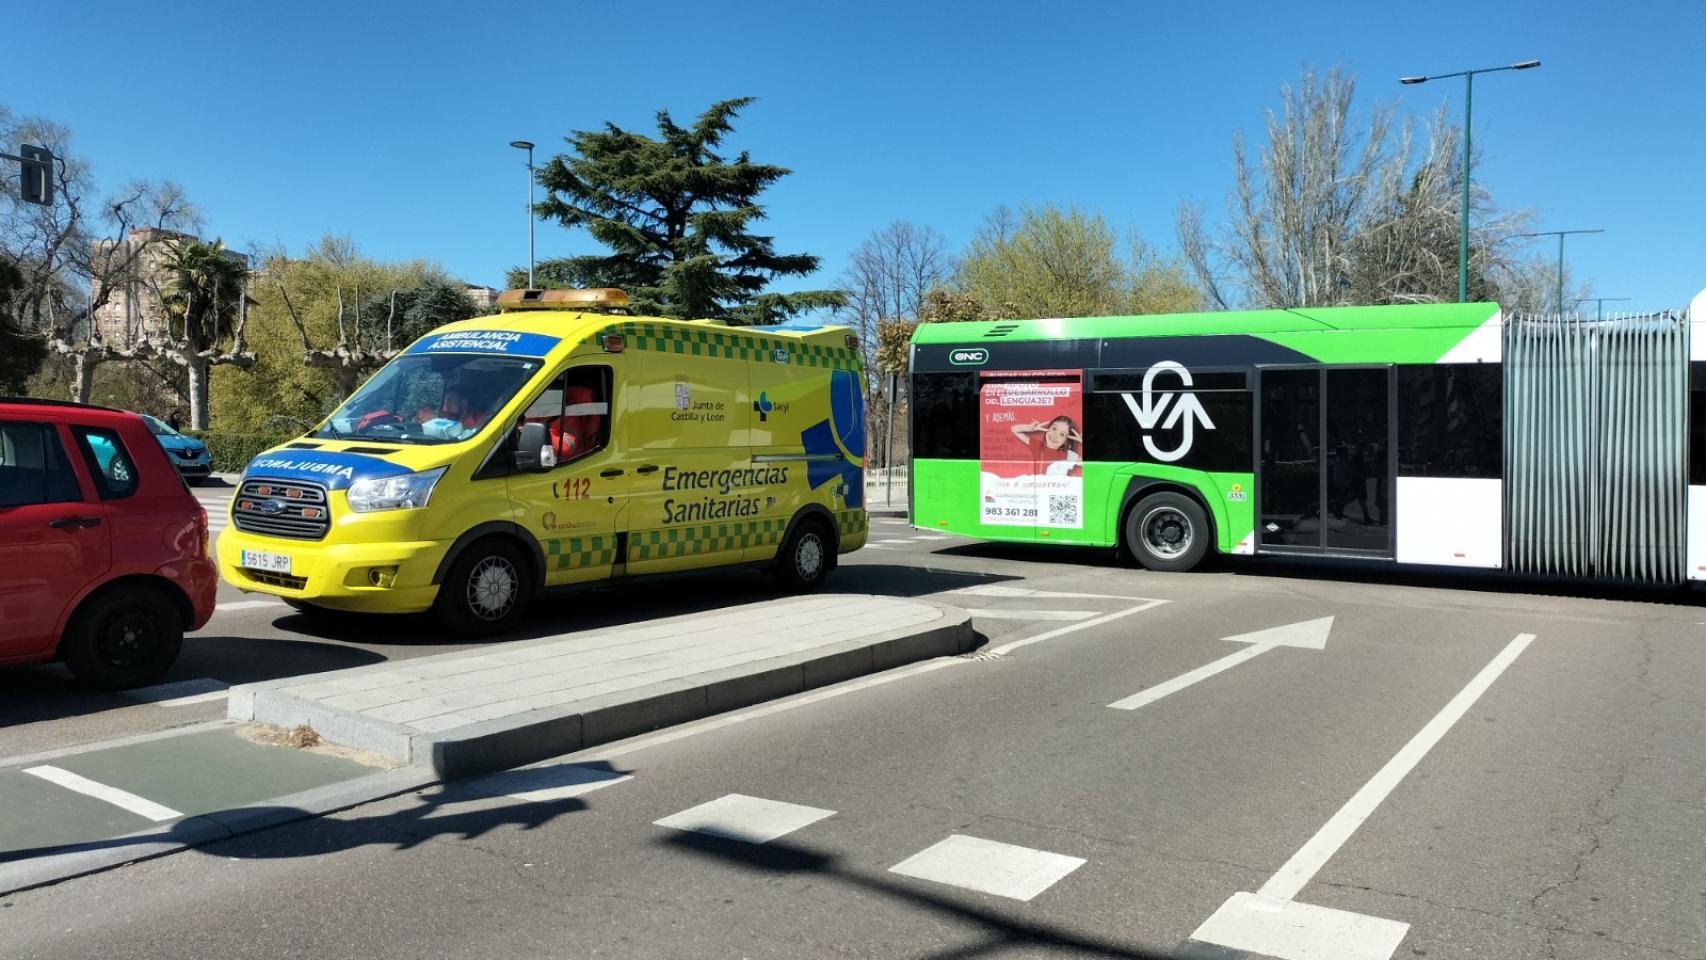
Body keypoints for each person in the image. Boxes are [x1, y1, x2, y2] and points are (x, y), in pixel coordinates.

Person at [1011, 415, 1083, 476]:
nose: (1055, 435)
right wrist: (1028, 428)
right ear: (1047, 429)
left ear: (1066, 441)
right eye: (1054, 429)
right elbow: (1014, 429)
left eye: (1062, 434)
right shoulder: (1038, 446)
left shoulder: (1068, 455)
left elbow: (1087, 463)